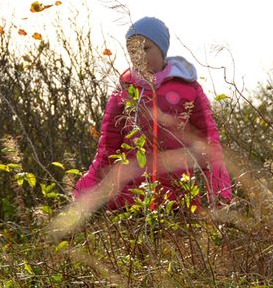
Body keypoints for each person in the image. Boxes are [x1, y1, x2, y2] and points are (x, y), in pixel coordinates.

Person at [74, 16, 232, 210]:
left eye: (145, 48)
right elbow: (107, 153)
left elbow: (210, 147)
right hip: (130, 206)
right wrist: (81, 195)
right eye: (132, 50)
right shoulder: (124, 91)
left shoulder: (188, 89)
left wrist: (220, 194)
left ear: (162, 49)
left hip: (179, 206)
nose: (137, 55)